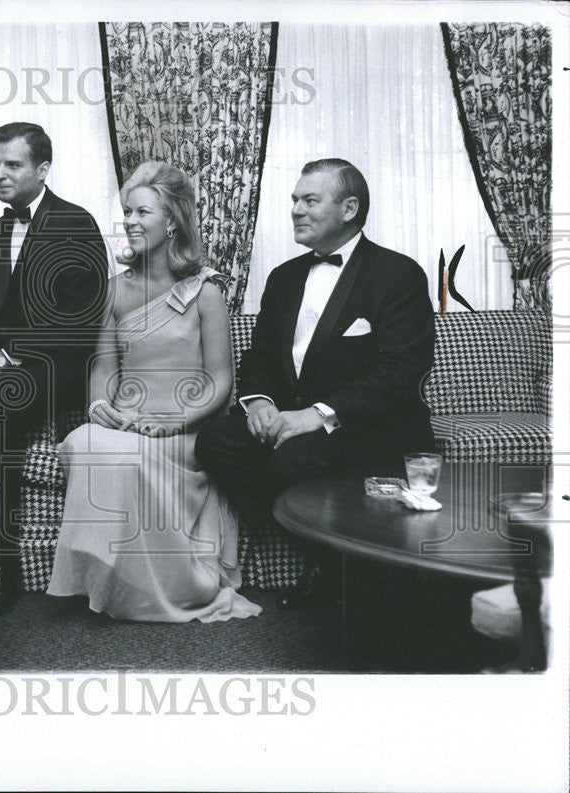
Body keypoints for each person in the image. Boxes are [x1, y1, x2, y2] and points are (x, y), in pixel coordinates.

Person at [194, 158, 435, 609]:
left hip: (365, 425)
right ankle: (327, 551)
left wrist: (316, 416)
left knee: (293, 461)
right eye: (294, 201)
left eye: (310, 200)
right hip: (288, 419)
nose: (296, 210)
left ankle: (339, 568)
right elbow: (261, 355)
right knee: (215, 441)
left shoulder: (398, 275)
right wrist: (260, 404)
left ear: (349, 208)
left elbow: (399, 375)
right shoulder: (283, 278)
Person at [45, 161, 262, 623]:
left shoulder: (206, 293)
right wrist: (99, 404)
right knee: (87, 440)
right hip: (126, 422)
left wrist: (174, 422)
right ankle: (115, 583)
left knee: (128, 456)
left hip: (184, 433)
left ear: (172, 222)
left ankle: (162, 591)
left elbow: (222, 383)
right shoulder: (113, 291)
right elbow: (104, 368)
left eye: (142, 212)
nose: (130, 221)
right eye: (127, 211)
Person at [0, 122, 108, 618]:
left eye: (13, 165)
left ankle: (3, 569)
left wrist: (3, 362)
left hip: (60, 367)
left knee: (3, 406)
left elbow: (78, 322)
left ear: (42, 170)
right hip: (8, 367)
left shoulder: (77, 223)